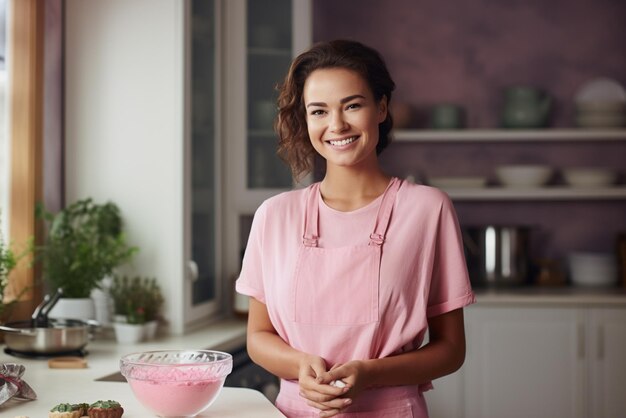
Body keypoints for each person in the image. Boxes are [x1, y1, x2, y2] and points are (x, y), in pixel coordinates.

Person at [236, 39, 476, 418]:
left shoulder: (428, 209)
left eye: (353, 105)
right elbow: (258, 337)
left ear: (381, 107)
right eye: (319, 111)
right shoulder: (274, 216)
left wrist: (371, 373)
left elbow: (450, 350)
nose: (337, 125)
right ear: (306, 119)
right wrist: (301, 366)